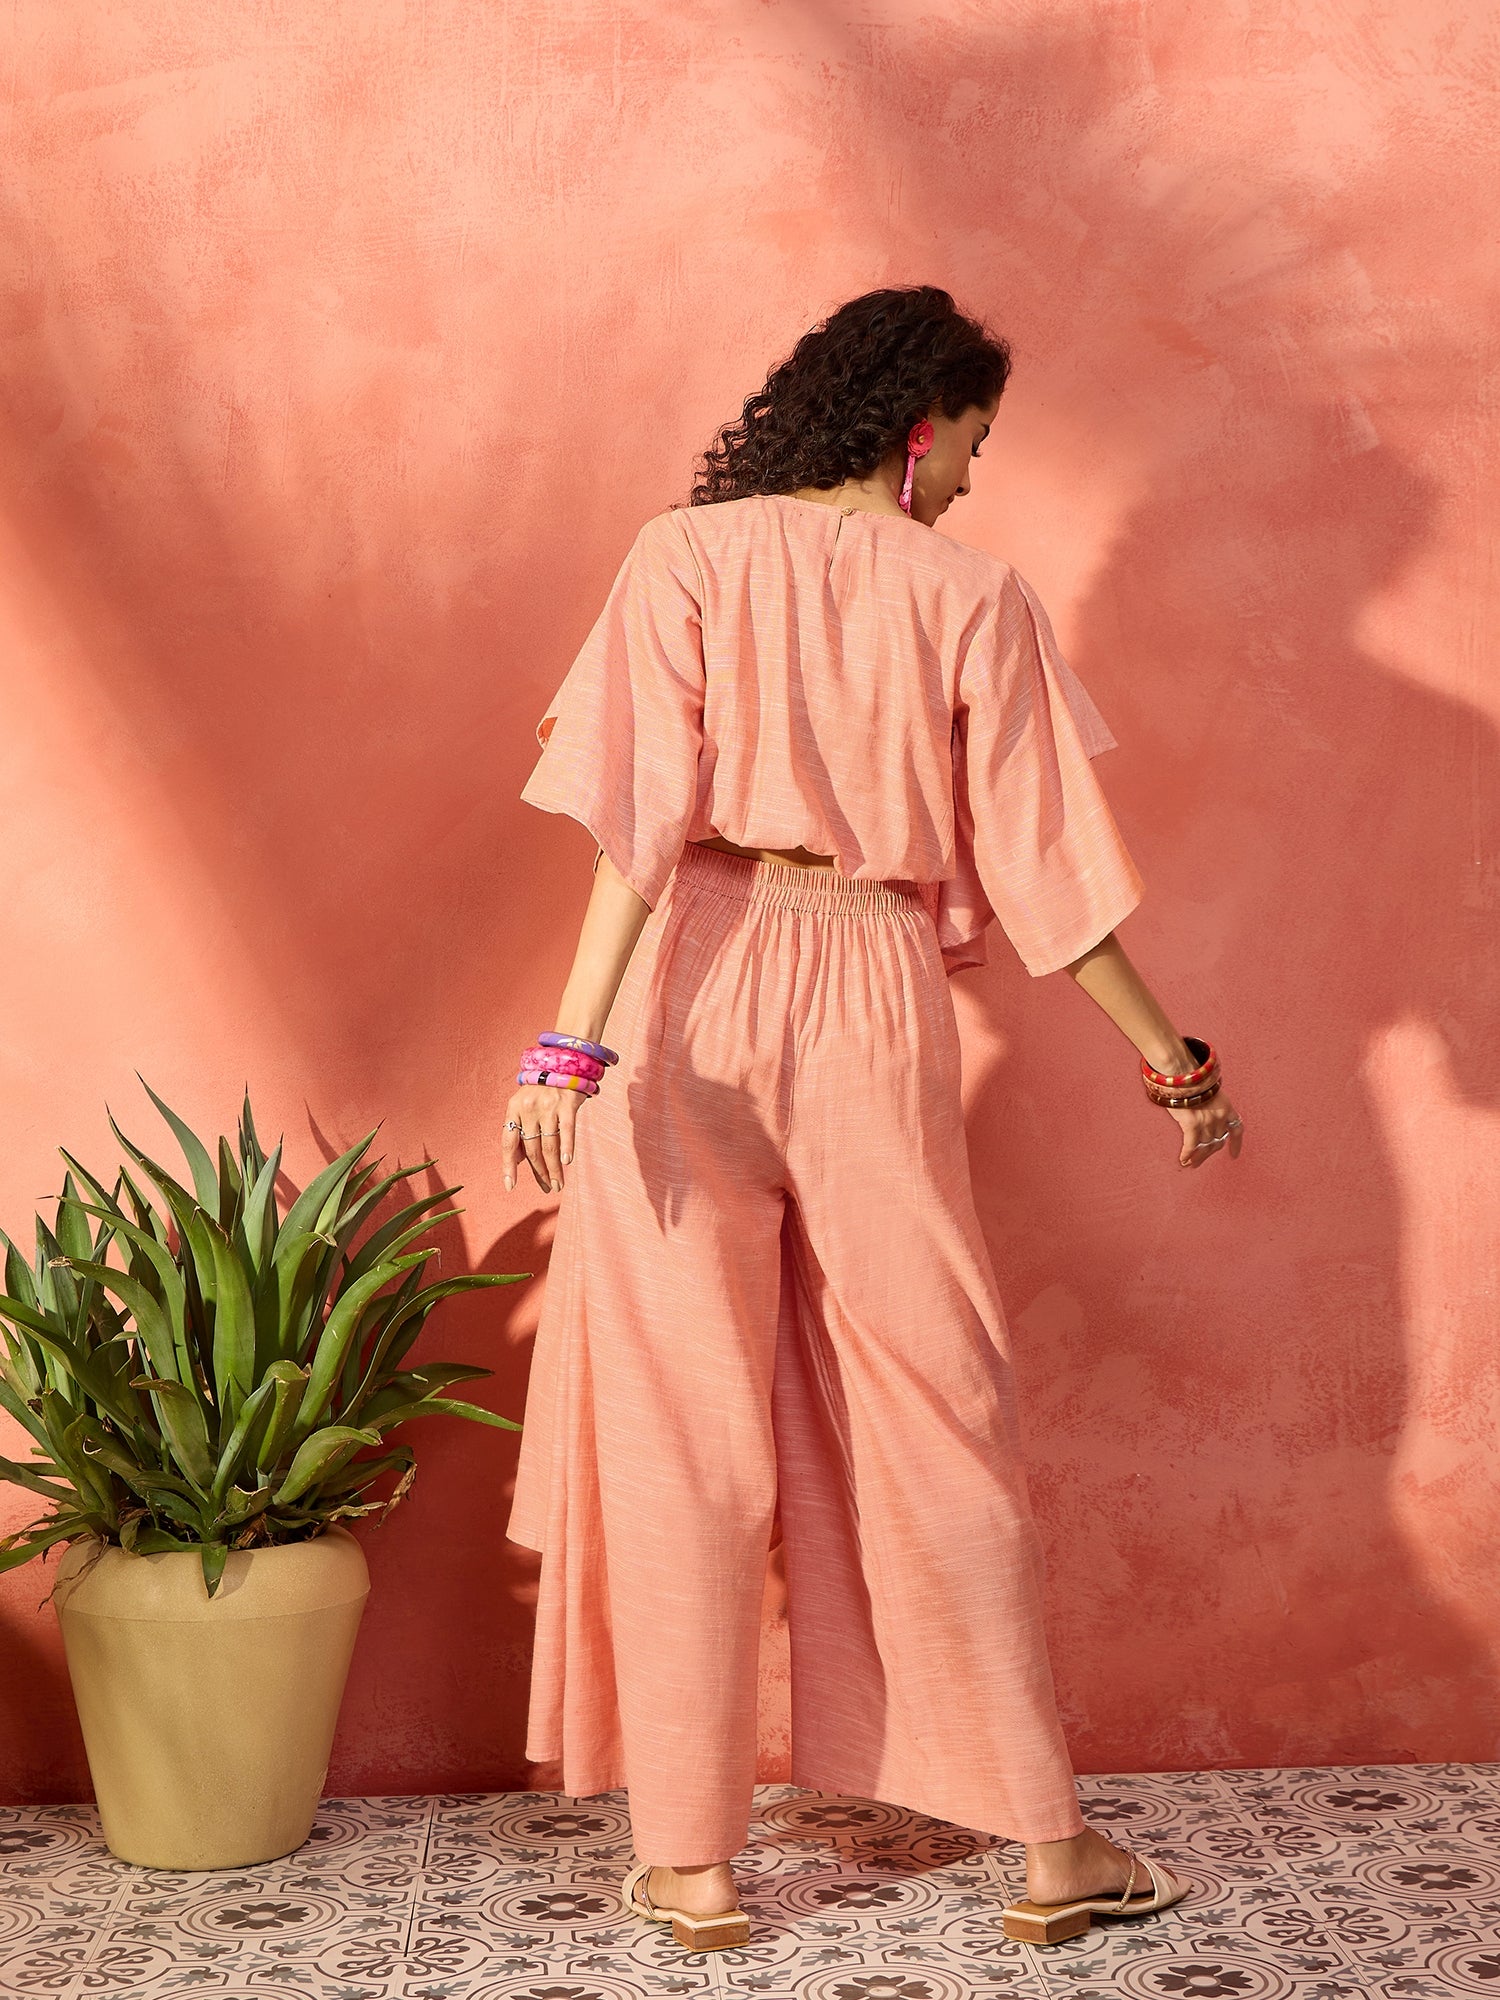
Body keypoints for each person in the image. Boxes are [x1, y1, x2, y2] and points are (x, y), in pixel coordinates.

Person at [501, 285, 1242, 1952]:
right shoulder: (973, 595)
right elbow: (1051, 877)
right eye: (975, 440)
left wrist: (569, 1047)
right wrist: (1175, 1063)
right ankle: (1051, 1849)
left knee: (686, 1429)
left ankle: (693, 1866)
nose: (977, 475)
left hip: (682, 986)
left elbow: (637, 826)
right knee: (941, 1404)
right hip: (869, 985)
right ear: (918, 430)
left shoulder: (680, 556)